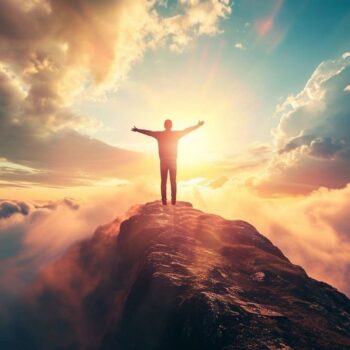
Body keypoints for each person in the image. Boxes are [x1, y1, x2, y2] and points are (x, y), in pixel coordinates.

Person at [132, 119, 204, 205]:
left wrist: (137, 130)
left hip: (163, 160)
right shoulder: (175, 134)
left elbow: (149, 132)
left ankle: (164, 201)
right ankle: (173, 201)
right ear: (171, 126)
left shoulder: (160, 134)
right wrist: (197, 126)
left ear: (164, 126)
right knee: (173, 181)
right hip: (173, 160)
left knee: (163, 181)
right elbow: (186, 130)